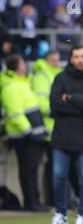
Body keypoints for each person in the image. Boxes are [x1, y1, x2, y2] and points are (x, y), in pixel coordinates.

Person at [48, 46, 83, 224]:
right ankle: (60, 213)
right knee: (58, 176)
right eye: (76, 56)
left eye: (82, 56)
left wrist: (70, 98)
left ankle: (82, 215)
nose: (79, 59)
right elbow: (55, 105)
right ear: (71, 59)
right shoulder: (60, 78)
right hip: (62, 136)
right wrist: (82, 107)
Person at [0, 54, 47, 212]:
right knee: (28, 170)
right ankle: (31, 202)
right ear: (17, 67)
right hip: (25, 137)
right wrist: (29, 131)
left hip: (32, 136)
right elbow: (15, 113)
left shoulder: (23, 83)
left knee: (32, 170)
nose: (25, 66)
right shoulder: (11, 87)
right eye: (22, 63)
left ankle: (35, 201)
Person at [31, 50, 63, 206]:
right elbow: (40, 102)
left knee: (57, 167)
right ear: (46, 60)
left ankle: (58, 199)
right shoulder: (41, 76)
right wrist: (58, 110)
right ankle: (52, 199)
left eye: (58, 60)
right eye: (53, 60)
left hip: (58, 128)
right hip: (48, 128)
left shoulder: (59, 74)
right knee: (52, 167)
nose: (56, 63)